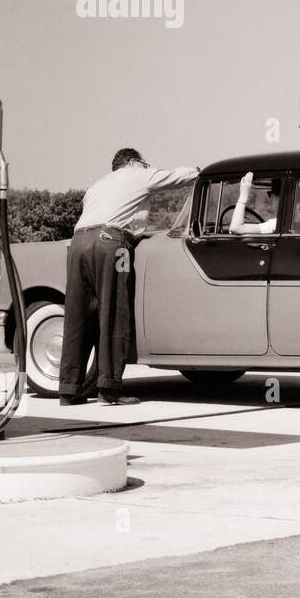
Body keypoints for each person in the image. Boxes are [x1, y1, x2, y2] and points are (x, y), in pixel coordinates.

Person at [59, 149, 200, 406]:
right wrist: (199, 171)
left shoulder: (97, 185)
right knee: (114, 314)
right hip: (112, 243)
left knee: (78, 319)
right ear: (134, 162)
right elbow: (176, 177)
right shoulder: (138, 174)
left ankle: (69, 389)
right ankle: (109, 389)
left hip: (78, 243)